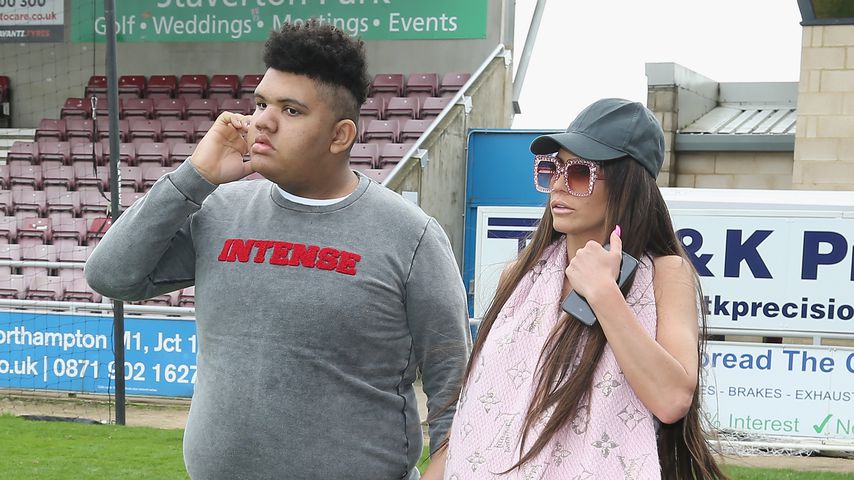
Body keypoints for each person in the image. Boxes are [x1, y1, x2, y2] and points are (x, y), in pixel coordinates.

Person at [85, 21, 470, 480]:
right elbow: (110, 276)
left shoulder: (411, 236)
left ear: (340, 136)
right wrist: (195, 175)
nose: (262, 121)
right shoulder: (219, 210)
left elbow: (453, 383)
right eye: (261, 103)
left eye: (290, 110)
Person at [430, 98, 727, 479]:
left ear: (627, 185)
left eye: (580, 173)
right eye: (553, 168)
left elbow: (672, 399)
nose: (558, 185)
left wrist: (604, 295)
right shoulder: (520, 276)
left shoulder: (666, 274)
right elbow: (478, 409)